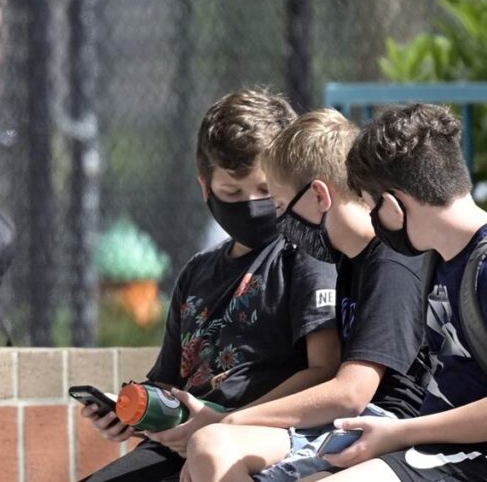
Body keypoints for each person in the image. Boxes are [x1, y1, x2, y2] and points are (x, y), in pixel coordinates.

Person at [312, 103, 487, 482]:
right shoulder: (442, 258)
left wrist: (399, 433)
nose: (375, 223)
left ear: (393, 204)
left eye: (373, 208)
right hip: (448, 448)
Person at [79, 89, 339, 482]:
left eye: (265, 191)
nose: (251, 204)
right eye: (232, 193)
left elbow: (325, 370)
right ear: (205, 188)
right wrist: (131, 413)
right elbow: (169, 382)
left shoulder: (305, 255)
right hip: (175, 447)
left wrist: (229, 421)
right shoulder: (197, 272)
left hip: (256, 443)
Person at [182, 108, 435, 482]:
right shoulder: (349, 259)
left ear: (318, 194)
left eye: (280, 206)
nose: (280, 222)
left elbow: (351, 393)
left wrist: (233, 419)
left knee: (217, 438)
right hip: (343, 426)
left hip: (385, 429)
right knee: (211, 447)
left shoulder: (391, 260)